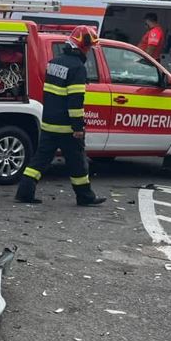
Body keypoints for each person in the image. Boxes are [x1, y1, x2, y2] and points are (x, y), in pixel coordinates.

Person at [15, 25, 107, 207]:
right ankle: (85, 196)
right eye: (89, 47)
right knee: (78, 162)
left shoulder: (54, 62)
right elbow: (75, 102)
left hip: (49, 122)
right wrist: (78, 128)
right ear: (82, 46)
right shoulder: (77, 68)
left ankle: (24, 192)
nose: (89, 50)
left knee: (39, 160)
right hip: (66, 127)